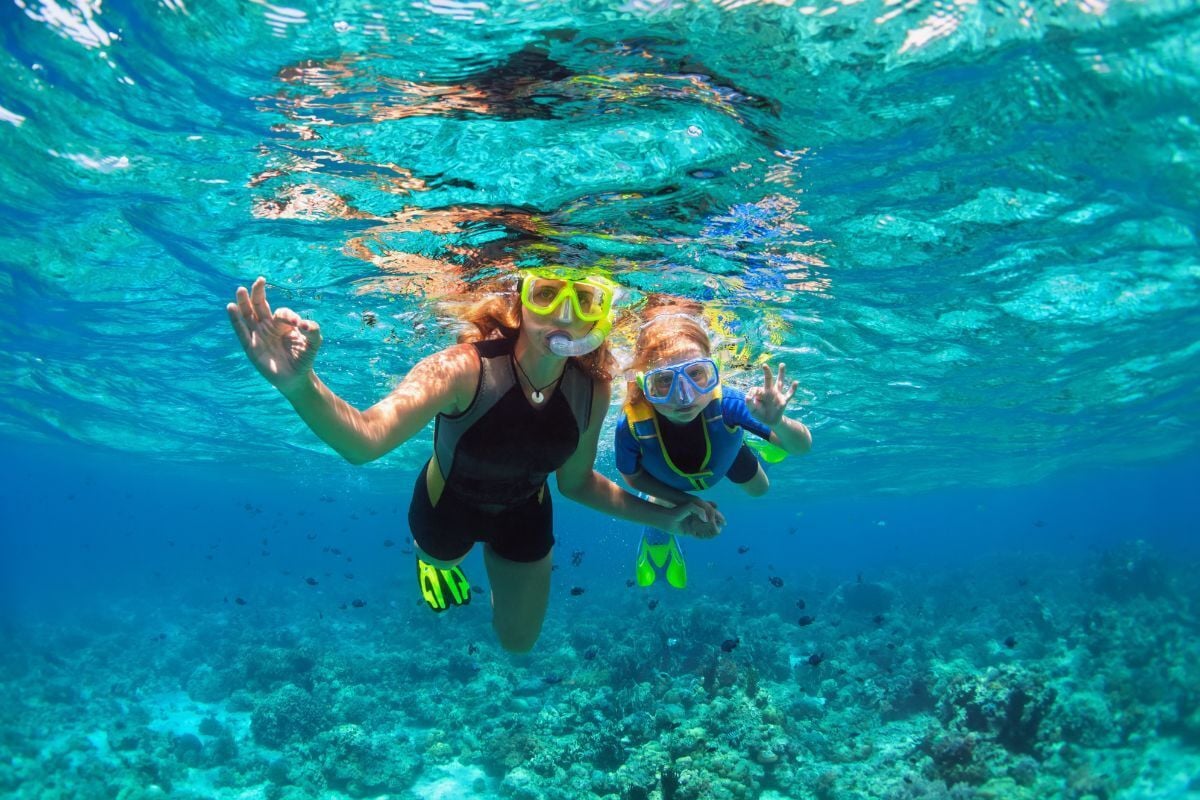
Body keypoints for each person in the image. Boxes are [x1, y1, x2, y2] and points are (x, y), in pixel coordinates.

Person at [226, 270, 719, 652]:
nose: (565, 315)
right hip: (447, 505)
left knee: (518, 643)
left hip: (526, 511)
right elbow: (365, 441)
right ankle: (432, 561)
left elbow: (576, 484)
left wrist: (668, 517)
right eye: (547, 295)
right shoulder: (463, 367)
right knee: (442, 560)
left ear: (599, 315)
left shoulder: (594, 386)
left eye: (584, 300)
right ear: (520, 302)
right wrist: (299, 385)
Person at [615, 302, 812, 590]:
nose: (683, 397)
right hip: (665, 481)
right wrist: (687, 502)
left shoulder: (729, 403)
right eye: (664, 381)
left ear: (715, 371)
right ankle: (657, 537)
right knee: (661, 506)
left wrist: (779, 423)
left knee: (761, 489)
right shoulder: (632, 425)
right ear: (645, 385)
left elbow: (802, 447)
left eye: (696, 374)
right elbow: (631, 477)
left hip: (725, 454)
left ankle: (760, 439)